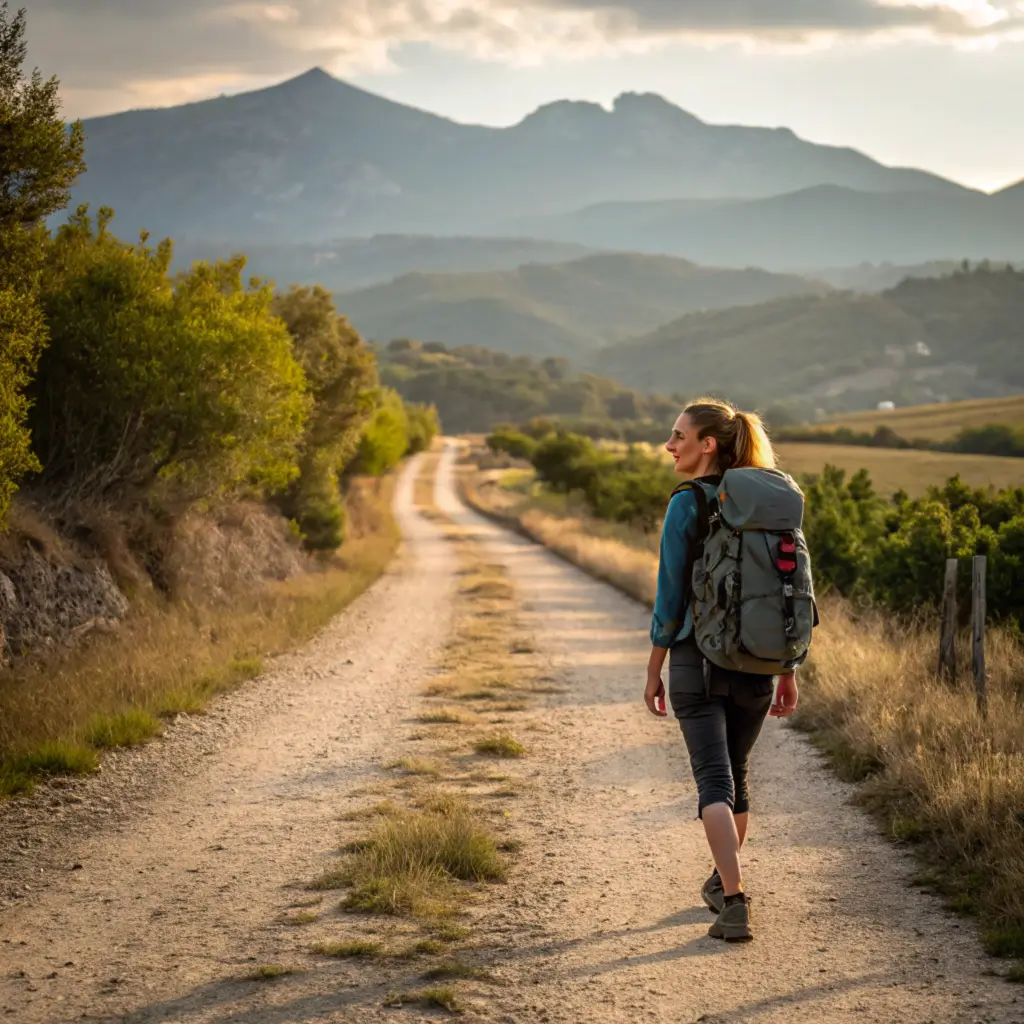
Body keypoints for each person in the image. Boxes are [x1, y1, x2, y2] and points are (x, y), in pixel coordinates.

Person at [643, 398, 799, 943]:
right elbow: (787, 591)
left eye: (678, 436)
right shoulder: (762, 503)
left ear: (707, 444)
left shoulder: (688, 502)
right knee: (739, 777)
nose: (670, 445)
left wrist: (655, 665)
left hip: (697, 658)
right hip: (759, 661)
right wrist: (787, 668)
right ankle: (719, 880)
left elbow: (669, 594)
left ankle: (734, 900)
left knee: (714, 779)